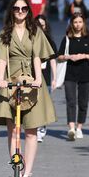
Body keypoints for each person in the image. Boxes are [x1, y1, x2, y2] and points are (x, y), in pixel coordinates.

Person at [0, 0, 57, 177]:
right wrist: (1, 79)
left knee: (31, 131)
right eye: (16, 8)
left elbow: (37, 57)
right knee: (13, 130)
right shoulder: (5, 33)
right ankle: (16, 170)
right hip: (11, 81)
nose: (20, 12)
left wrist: (39, 78)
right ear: (11, 11)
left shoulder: (35, 31)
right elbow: (3, 59)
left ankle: (27, 174)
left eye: (24, 9)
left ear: (29, 11)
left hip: (31, 82)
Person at [58, 14, 89, 141]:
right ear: (71, 23)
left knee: (83, 102)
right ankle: (71, 128)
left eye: (80, 22)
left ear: (84, 23)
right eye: (75, 22)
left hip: (85, 74)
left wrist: (84, 56)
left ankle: (79, 128)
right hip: (70, 74)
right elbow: (59, 56)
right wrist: (68, 57)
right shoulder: (67, 39)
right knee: (70, 101)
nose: (77, 25)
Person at [34, 15, 57, 143]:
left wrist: (55, 78)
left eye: (42, 25)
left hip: (46, 77)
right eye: (37, 25)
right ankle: (36, 127)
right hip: (32, 77)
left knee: (43, 104)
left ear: (46, 26)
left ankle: (41, 128)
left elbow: (53, 60)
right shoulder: (30, 39)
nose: (40, 28)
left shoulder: (49, 41)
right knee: (34, 103)